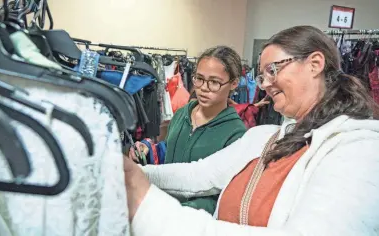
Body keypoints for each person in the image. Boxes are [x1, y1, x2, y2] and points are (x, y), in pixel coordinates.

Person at [124, 25, 379, 236]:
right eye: (262, 75)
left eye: (273, 70)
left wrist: (151, 210)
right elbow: (198, 175)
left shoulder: (359, 149)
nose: (266, 84)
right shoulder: (264, 136)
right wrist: (131, 172)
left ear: (314, 64)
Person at [129, 46, 249, 215]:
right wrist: (149, 149)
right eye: (199, 79)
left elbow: (224, 195)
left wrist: (180, 213)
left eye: (214, 82)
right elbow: (171, 150)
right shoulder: (181, 114)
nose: (204, 88)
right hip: (160, 210)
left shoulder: (236, 134)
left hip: (191, 222)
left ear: (234, 83)